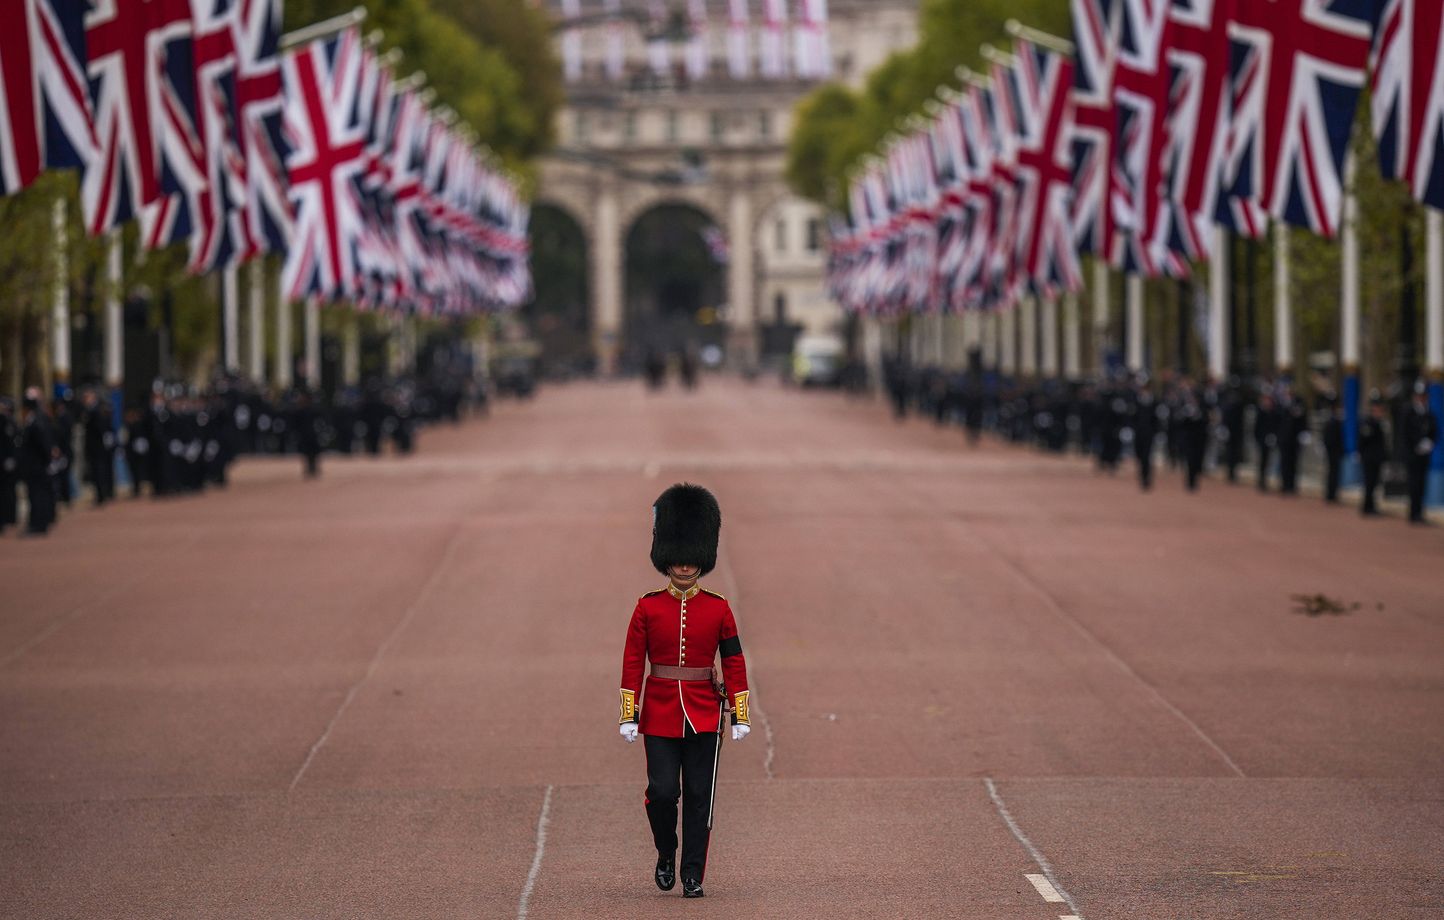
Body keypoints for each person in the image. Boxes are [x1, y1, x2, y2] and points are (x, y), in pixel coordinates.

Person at [618, 484, 751, 899]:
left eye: (692, 559)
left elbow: (732, 659)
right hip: (658, 712)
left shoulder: (718, 607)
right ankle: (666, 851)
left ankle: (693, 873)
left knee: (699, 798)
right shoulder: (647, 606)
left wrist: (740, 712)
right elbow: (632, 661)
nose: (684, 566)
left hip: (705, 714)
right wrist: (629, 710)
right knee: (661, 792)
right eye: (678, 558)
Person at [19, 391, 59, 536]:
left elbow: (43, 444)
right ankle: (38, 522)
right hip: (37, 466)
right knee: (37, 495)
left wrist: (48, 461)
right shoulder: (36, 420)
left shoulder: (36, 422)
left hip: (37, 467)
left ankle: (39, 524)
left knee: (38, 496)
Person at [1402, 379, 1439, 525]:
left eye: (1423, 396)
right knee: (1414, 484)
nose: (1421, 398)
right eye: (1419, 395)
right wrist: (1416, 445)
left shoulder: (1429, 414)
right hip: (1413, 455)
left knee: (1422, 484)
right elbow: (1405, 434)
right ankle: (1413, 512)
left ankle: (1419, 512)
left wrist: (1429, 443)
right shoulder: (1409, 413)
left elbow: (1434, 432)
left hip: (1425, 455)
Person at [81, 388, 117, 506]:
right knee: (97, 471)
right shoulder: (89, 410)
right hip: (94, 447)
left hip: (98, 447)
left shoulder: (96, 411)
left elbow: (101, 428)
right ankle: (103, 493)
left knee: (100, 471)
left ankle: (103, 494)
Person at [1359, 392, 1389, 517]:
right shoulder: (1368, 423)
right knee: (1369, 483)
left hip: (1377, 458)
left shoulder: (1380, 423)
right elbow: (1363, 441)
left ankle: (1371, 506)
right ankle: (1367, 507)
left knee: (1375, 483)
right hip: (1369, 458)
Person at [1320, 393, 1345, 504]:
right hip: (1333, 450)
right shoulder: (1331, 420)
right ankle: (1330, 494)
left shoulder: (1336, 419)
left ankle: (1332, 493)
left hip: (1336, 449)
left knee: (1335, 472)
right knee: (1332, 472)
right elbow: (1328, 437)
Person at [0, 397, 18, 532]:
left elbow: (9, 441)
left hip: (6, 462)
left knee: (8, 491)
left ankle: (9, 517)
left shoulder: (7, 421)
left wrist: (10, 458)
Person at [1253, 389, 1277, 492]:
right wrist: (1258, 439)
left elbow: (1276, 426)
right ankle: (1261, 481)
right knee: (1262, 462)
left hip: (1270, 440)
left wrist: (1274, 436)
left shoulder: (1274, 412)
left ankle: (1265, 480)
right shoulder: (1261, 412)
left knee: (1268, 462)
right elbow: (1256, 427)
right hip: (1262, 440)